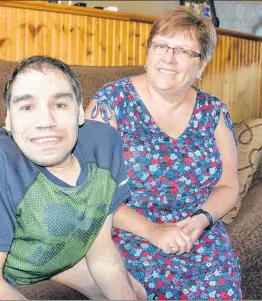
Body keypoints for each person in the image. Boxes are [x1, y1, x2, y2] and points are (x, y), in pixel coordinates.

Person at [0, 56, 146, 300]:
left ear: (79, 113)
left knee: (136, 295)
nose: (45, 121)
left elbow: (100, 249)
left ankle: (47, 268)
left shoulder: (105, 145)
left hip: (48, 245)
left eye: (59, 105)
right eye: (27, 107)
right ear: (8, 121)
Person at [85, 6, 242, 300]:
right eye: (162, 45)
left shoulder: (214, 112)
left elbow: (228, 185)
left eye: (183, 51)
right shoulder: (110, 104)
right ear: (148, 52)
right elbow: (89, 192)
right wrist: (152, 231)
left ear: (202, 65)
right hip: (127, 233)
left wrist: (202, 219)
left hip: (196, 234)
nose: (169, 57)